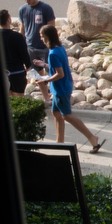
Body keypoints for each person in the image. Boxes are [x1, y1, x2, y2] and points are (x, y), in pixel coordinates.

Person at [38, 25, 103, 153]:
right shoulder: (60, 48)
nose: (41, 38)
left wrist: (45, 81)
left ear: (47, 37)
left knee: (67, 116)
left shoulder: (52, 54)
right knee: (55, 113)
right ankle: (60, 141)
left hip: (60, 89)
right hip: (62, 87)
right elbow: (58, 68)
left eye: (42, 36)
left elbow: (60, 74)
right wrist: (44, 65)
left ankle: (92, 138)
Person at [18, 0, 56, 99]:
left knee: (53, 72)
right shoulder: (23, 10)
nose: (27, 1)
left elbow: (51, 28)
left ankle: (56, 94)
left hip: (45, 48)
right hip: (31, 48)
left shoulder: (45, 8)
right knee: (37, 74)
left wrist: (51, 45)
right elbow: (22, 29)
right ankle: (46, 98)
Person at [0, 9, 33, 97]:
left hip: (2, 72)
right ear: (8, 20)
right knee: (19, 99)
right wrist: (28, 66)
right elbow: (24, 54)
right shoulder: (17, 37)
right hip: (17, 72)